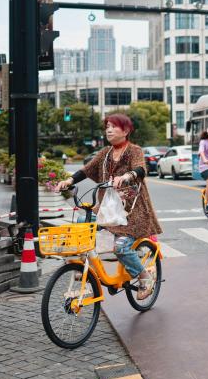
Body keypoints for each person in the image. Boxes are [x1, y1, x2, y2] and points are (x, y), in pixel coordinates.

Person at [57, 113, 162, 300]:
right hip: (107, 210)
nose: (109, 130)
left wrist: (127, 176)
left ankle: (144, 277)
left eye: (114, 126)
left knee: (121, 246)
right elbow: (87, 169)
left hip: (132, 212)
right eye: (107, 127)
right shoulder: (105, 153)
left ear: (126, 130)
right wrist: (69, 180)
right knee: (81, 223)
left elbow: (140, 169)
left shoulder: (134, 150)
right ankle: (82, 266)